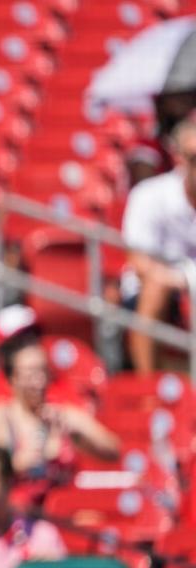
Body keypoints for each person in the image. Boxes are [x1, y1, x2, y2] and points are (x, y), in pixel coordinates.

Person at [0, 328, 119, 510]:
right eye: (30, 374)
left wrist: (76, 435)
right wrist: (13, 466)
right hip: (13, 516)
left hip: (63, 513)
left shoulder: (64, 415)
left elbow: (113, 451)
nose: (38, 381)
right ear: (12, 378)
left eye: (43, 372)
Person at [122, 112, 196, 373]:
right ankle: (148, 386)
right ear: (180, 159)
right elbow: (141, 263)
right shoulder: (150, 195)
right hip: (158, 288)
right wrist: (182, 280)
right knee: (157, 288)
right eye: (195, 158)